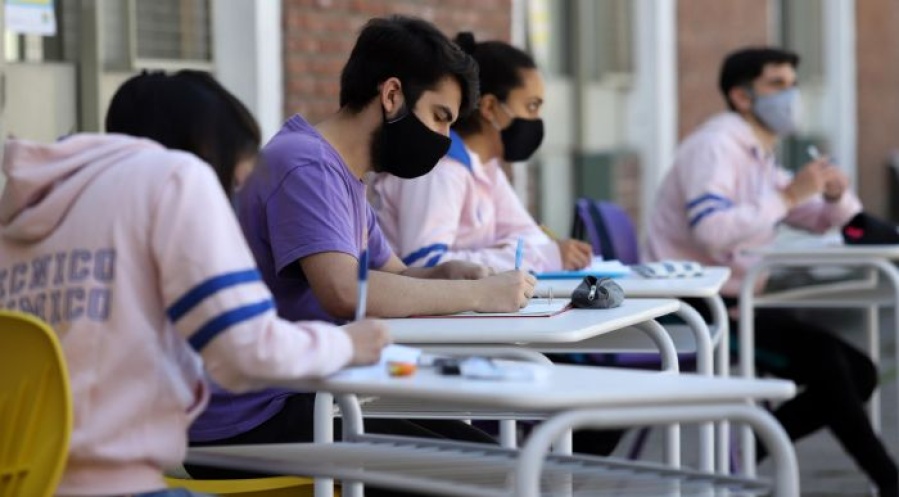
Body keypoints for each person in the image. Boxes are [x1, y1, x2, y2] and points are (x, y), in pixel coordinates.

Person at [0, 78, 389, 497]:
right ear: (208, 149)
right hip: (122, 485)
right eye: (237, 180)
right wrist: (348, 345)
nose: (234, 197)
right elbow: (248, 352)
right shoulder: (177, 177)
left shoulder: (24, 207)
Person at [187, 16, 536, 482]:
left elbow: (391, 273)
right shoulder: (305, 165)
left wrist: (447, 274)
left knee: (500, 464)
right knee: (487, 473)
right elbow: (345, 293)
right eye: (438, 117)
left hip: (305, 395)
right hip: (248, 419)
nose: (442, 138)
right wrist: (481, 297)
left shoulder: (343, 175)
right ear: (392, 95)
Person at [644, 46, 897, 495]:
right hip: (699, 309)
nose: (791, 95)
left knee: (856, 371)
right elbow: (712, 230)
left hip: (737, 304)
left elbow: (815, 216)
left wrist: (835, 196)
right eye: (777, 85)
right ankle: (885, 478)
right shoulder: (717, 145)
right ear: (742, 97)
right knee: (834, 370)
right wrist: (790, 197)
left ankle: (744, 451)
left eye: (793, 84)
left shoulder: (757, 154)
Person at [371, 32, 593, 273]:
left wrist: (532, 253)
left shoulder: (486, 168)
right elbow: (425, 264)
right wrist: (538, 257)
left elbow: (531, 237)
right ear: (489, 107)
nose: (536, 120)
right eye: (531, 106)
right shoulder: (438, 169)